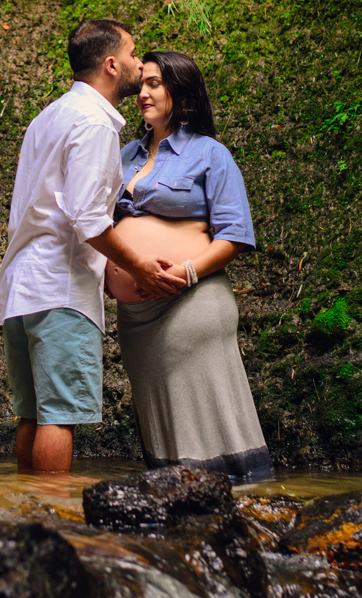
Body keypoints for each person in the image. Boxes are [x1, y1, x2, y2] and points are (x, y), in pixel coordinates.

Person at [0, 21, 187, 474]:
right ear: (110, 64)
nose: (139, 64)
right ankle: (53, 521)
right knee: (61, 415)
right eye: (133, 53)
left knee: (33, 413)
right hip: (61, 290)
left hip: (21, 288)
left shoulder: (49, 117)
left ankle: (28, 518)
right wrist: (139, 266)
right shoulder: (96, 123)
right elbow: (87, 217)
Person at [105, 50, 273, 482]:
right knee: (161, 419)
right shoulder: (123, 155)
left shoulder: (210, 154)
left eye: (154, 83)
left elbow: (235, 234)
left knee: (203, 413)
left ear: (181, 91)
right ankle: (180, 515)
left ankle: (239, 502)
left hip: (190, 301)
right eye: (141, 83)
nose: (142, 92)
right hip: (137, 316)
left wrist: (187, 273)